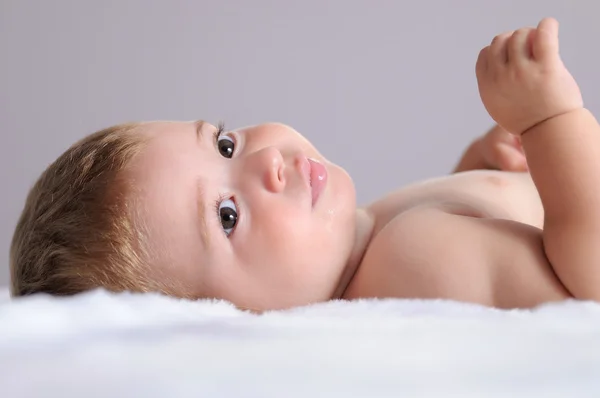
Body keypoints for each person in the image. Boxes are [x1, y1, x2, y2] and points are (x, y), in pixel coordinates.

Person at [11, 17, 600, 311]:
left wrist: (476, 169)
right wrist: (550, 123)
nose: (266, 162)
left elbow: (482, 251)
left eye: (224, 146)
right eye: (226, 216)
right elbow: (586, 280)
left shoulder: (378, 240)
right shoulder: (408, 263)